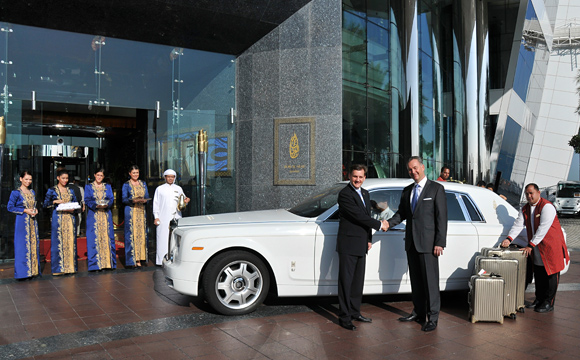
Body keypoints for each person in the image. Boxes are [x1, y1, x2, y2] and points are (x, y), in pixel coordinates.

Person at [386, 156, 447, 332]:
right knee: (417, 282)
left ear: (423, 167)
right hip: (411, 244)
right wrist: (388, 224)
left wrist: (440, 242)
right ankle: (419, 312)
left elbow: (441, 218)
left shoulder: (436, 189)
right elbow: (401, 214)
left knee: (430, 282)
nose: (413, 172)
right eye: (410, 169)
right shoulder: (407, 191)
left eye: (415, 168)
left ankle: (432, 317)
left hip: (429, 245)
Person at [501, 183, 570, 313]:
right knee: (539, 273)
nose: (529, 196)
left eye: (531, 193)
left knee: (551, 274)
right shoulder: (525, 208)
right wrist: (509, 239)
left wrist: (530, 245)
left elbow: (542, 229)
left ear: (538, 193)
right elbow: (518, 225)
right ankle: (539, 299)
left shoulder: (547, 207)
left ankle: (549, 302)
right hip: (536, 245)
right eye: (527, 194)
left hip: (550, 245)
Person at [336, 164, 387, 331]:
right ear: (349, 176)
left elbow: (366, 216)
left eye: (361, 177)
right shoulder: (344, 194)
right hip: (348, 244)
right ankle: (344, 317)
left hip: (361, 243)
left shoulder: (365, 193)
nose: (357, 179)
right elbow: (357, 217)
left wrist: (369, 238)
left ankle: (355, 312)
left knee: (357, 282)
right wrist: (379, 225)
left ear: (365, 177)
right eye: (355, 176)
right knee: (346, 282)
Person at [43, 169, 78, 275]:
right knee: (58, 241)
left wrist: (74, 208)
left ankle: (71, 267)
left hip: (69, 218)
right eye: (63, 178)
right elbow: (45, 204)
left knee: (70, 241)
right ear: (58, 178)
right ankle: (59, 269)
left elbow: (75, 202)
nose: (65, 180)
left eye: (67, 178)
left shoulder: (70, 190)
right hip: (58, 218)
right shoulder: (52, 190)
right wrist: (54, 201)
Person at [7, 170, 41, 279]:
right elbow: (10, 207)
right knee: (22, 246)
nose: (28, 181)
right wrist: (25, 211)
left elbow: (34, 205)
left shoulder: (32, 192)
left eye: (30, 179)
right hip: (22, 222)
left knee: (33, 244)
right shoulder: (15, 193)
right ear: (21, 179)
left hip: (32, 222)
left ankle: (33, 271)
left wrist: (35, 210)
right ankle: (23, 273)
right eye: (26, 179)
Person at [153, 169, 190, 265]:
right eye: (168, 176)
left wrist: (186, 201)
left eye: (172, 177)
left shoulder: (178, 188)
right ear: (165, 177)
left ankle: (175, 259)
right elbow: (155, 204)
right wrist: (156, 216)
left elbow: (183, 200)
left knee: (176, 238)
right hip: (163, 217)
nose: (170, 178)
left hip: (176, 216)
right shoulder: (159, 189)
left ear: (174, 178)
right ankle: (161, 260)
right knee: (162, 238)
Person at [85, 169, 116, 271]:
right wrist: (95, 205)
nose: (99, 177)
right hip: (94, 215)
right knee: (94, 238)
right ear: (94, 175)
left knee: (107, 237)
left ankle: (107, 263)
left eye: (101, 176)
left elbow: (111, 198)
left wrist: (107, 204)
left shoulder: (107, 187)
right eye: (98, 175)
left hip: (106, 214)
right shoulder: (89, 187)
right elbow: (87, 199)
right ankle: (95, 265)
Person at [122, 165, 150, 268]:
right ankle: (133, 260)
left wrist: (144, 200)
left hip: (141, 212)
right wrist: (132, 200)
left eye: (137, 173)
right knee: (131, 235)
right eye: (134, 173)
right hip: (131, 211)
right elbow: (124, 199)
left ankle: (141, 258)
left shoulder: (143, 183)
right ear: (130, 173)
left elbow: (147, 196)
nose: (135, 175)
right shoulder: (126, 185)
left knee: (142, 234)